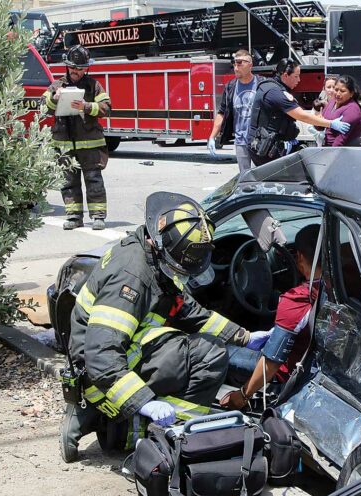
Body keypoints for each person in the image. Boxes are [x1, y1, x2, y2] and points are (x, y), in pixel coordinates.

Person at [59, 192, 265, 463]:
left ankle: (100, 415)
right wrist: (144, 402)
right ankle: (155, 435)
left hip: (109, 359)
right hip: (99, 372)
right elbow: (103, 356)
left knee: (197, 344)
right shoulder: (131, 279)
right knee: (208, 354)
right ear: (161, 246)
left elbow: (186, 309)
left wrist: (244, 337)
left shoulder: (151, 255)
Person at [221, 224, 321, 410]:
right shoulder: (346, 282)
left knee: (216, 350)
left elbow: (272, 363)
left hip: (287, 374)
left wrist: (243, 395)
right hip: (315, 363)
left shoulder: (297, 300)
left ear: (299, 257)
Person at [42, 45, 111, 230]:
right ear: (67, 66)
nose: (77, 72)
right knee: (68, 182)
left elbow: (106, 108)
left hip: (90, 145)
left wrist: (86, 107)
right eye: (74, 68)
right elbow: (43, 106)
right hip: (64, 145)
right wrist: (55, 99)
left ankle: (98, 217)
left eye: (81, 69)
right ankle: (73, 216)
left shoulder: (93, 85)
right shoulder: (57, 86)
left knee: (94, 180)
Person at [246, 59, 351, 166]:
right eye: (296, 76)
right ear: (286, 75)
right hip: (266, 151)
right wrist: (331, 123)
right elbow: (302, 116)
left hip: (262, 147)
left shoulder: (269, 86)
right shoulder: (275, 93)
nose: (299, 80)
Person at [207, 49, 259, 173]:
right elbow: (222, 112)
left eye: (240, 63)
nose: (236, 67)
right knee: (245, 178)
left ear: (250, 64)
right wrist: (212, 137)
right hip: (240, 141)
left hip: (259, 141)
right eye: (234, 63)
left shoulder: (261, 83)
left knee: (262, 177)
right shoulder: (230, 87)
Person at [322, 74, 361, 147]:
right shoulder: (332, 102)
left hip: (344, 151)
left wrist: (331, 155)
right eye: (336, 89)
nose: (338, 94)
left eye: (342, 91)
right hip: (327, 147)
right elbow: (319, 126)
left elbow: (340, 140)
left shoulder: (352, 109)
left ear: (351, 93)